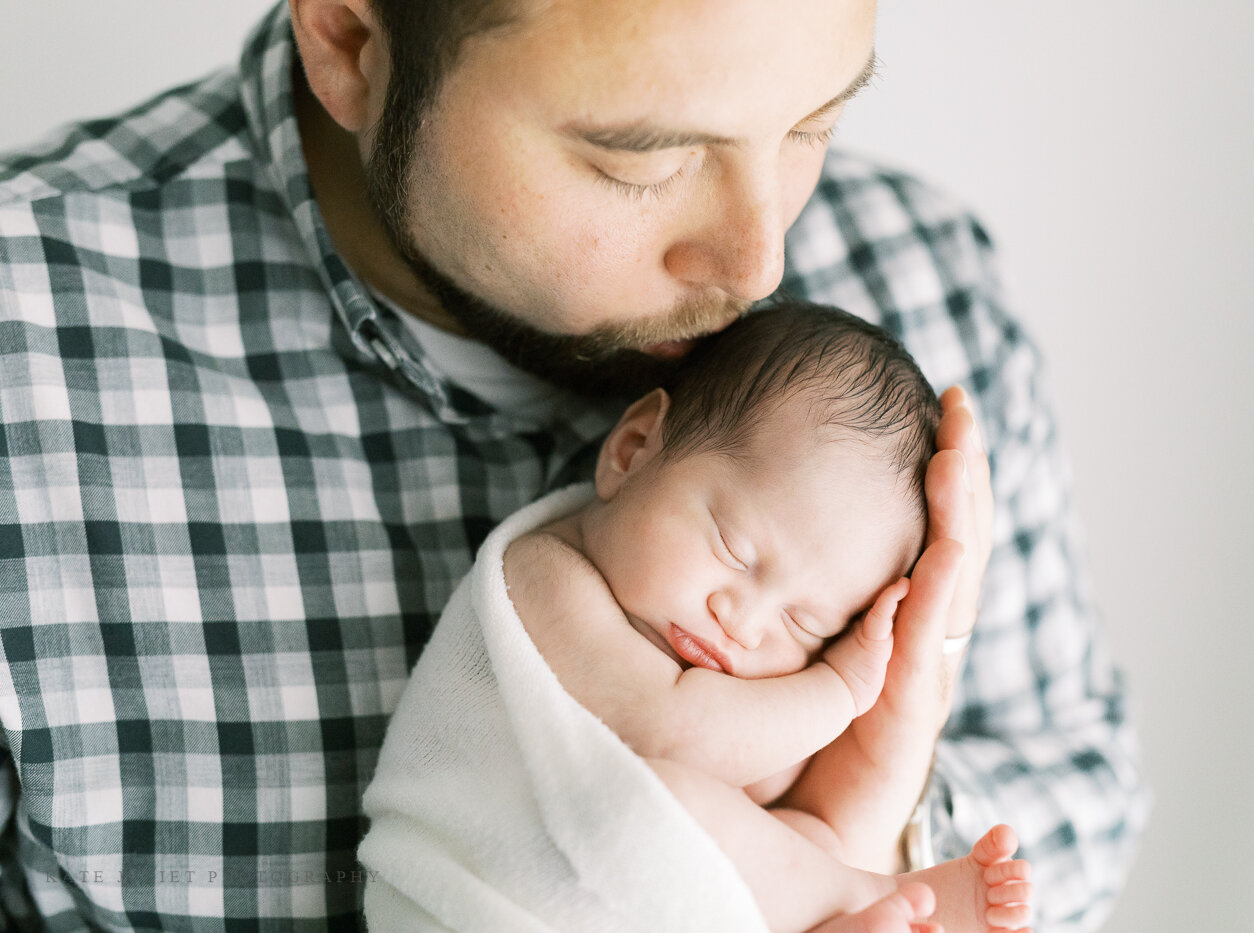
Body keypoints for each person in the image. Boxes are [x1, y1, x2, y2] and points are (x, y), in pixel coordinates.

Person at [0, 0, 1148, 930]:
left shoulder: (917, 277)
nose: (759, 266)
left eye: (810, 124)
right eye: (639, 160)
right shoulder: (29, 361)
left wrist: (875, 823)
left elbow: (1084, 803)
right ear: (350, 38)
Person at [358, 303, 1034, 933]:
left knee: (804, 834)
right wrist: (839, 688)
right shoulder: (546, 575)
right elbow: (672, 733)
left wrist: (892, 716)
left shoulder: (721, 662)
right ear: (633, 449)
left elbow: (768, 784)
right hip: (479, 898)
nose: (742, 621)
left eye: (805, 622)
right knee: (669, 799)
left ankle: (850, 894)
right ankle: (863, 896)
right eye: (735, 551)